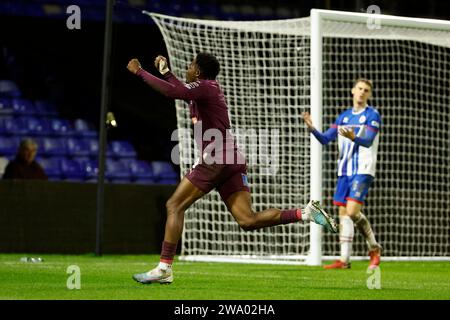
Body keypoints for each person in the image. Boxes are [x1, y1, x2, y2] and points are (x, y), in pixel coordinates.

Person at [127, 53, 338, 284]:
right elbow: (181, 91)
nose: (187, 69)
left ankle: (164, 269)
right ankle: (305, 213)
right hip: (232, 159)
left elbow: (173, 92)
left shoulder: (204, 87)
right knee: (248, 220)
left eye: (190, 66)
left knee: (174, 205)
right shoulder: (205, 90)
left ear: (197, 72)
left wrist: (140, 72)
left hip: (215, 158)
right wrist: (166, 72)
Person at [302, 78, 382, 270]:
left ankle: (374, 247)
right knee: (344, 213)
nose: (362, 92)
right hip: (344, 170)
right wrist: (312, 128)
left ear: (369, 94)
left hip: (363, 169)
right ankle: (344, 260)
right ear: (353, 91)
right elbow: (325, 139)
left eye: (366, 90)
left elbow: (369, 141)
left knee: (353, 211)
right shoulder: (344, 117)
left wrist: (354, 137)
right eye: (360, 89)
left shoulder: (372, 115)